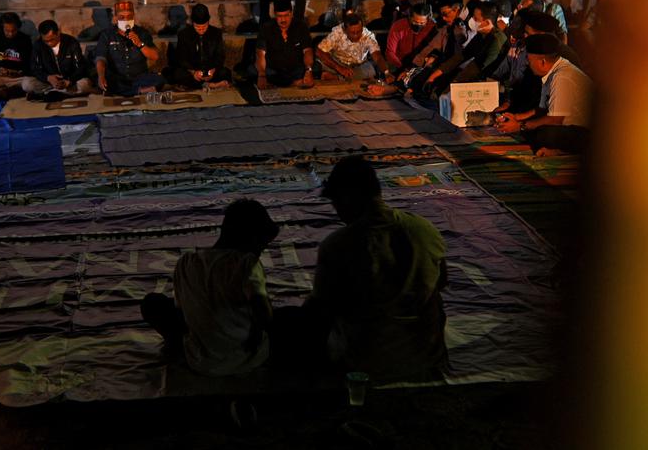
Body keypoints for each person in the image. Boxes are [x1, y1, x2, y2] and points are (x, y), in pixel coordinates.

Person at [307, 155, 447, 381]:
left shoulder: (338, 245)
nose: (337, 212)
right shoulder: (425, 229)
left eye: (336, 203)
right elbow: (442, 282)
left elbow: (321, 308)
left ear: (347, 198)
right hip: (424, 353)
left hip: (366, 360)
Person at [140, 199, 279, 376]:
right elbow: (264, 315)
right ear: (252, 238)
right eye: (262, 245)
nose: (261, 250)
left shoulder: (186, 262)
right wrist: (256, 334)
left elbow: (183, 312)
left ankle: (188, 344)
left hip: (198, 360)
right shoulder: (246, 263)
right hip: (247, 357)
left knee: (153, 303)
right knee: (291, 318)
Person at [495, 33, 593, 155]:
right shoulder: (552, 71)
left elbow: (555, 120)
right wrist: (517, 117)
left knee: (543, 134)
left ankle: (563, 151)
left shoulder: (562, 76)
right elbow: (542, 109)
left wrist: (520, 126)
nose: (527, 64)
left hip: (587, 133)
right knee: (535, 128)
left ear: (542, 62)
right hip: (567, 127)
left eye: (529, 60)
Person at [94, 1, 164, 96]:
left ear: (134, 16)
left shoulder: (142, 33)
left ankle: (132, 91)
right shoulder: (107, 35)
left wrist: (140, 43)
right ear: (115, 18)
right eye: (122, 17)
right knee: (106, 83)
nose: (126, 20)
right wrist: (101, 76)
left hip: (139, 77)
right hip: (118, 78)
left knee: (159, 79)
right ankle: (140, 91)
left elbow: (155, 56)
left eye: (129, 17)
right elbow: (100, 58)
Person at [254, 0, 314, 89]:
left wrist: (308, 70)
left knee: (315, 67)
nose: (283, 20)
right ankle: (293, 82)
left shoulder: (301, 26)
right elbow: (260, 53)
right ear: (275, 15)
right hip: (273, 69)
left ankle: (283, 82)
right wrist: (261, 75)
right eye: (280, 16)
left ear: (291, 14)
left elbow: (308, 51)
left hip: (295, 69)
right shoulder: (267, 28)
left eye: (286, 15)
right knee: (252, 70)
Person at [168, 4, 231, 90]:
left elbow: (220, 55)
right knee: (177, 74)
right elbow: (181, 58)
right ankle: (210, 85)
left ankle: (201, 85)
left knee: (225, 72)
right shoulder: (184, 34)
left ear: (208, 22)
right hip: (192, 71)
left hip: (210, 70)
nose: (201, 30)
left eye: (204, 27)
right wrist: (193, 72)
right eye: (197, 27)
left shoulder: (216, 33)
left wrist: (213, 69)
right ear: (192, 23)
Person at [316, 13, 392, 83]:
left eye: (359, 32)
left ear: (362, 28)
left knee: (372, 69)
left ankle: (337, 78)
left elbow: (377, 57)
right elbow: (319, 51)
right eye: (352, 33)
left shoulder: (368, 36)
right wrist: (339, 68)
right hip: (337, 64)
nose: (356, 36)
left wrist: (387, 73)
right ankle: (346, 77)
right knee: (318, 64)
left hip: (357, 67)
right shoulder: (337, 32)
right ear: (345, 30)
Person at [32, 20, 94, 95]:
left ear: (58, 33)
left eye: (51, 40)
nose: (49, 43)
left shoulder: (71, 42)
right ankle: (62, 92)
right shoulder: (38, 45)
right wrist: (48, 78)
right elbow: (35, 68)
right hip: (49, 82)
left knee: (84, 84)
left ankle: (54, 92)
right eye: (46, 41)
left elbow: (80, 67)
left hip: (70, 80)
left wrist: (69, 80)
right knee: (27, 84)